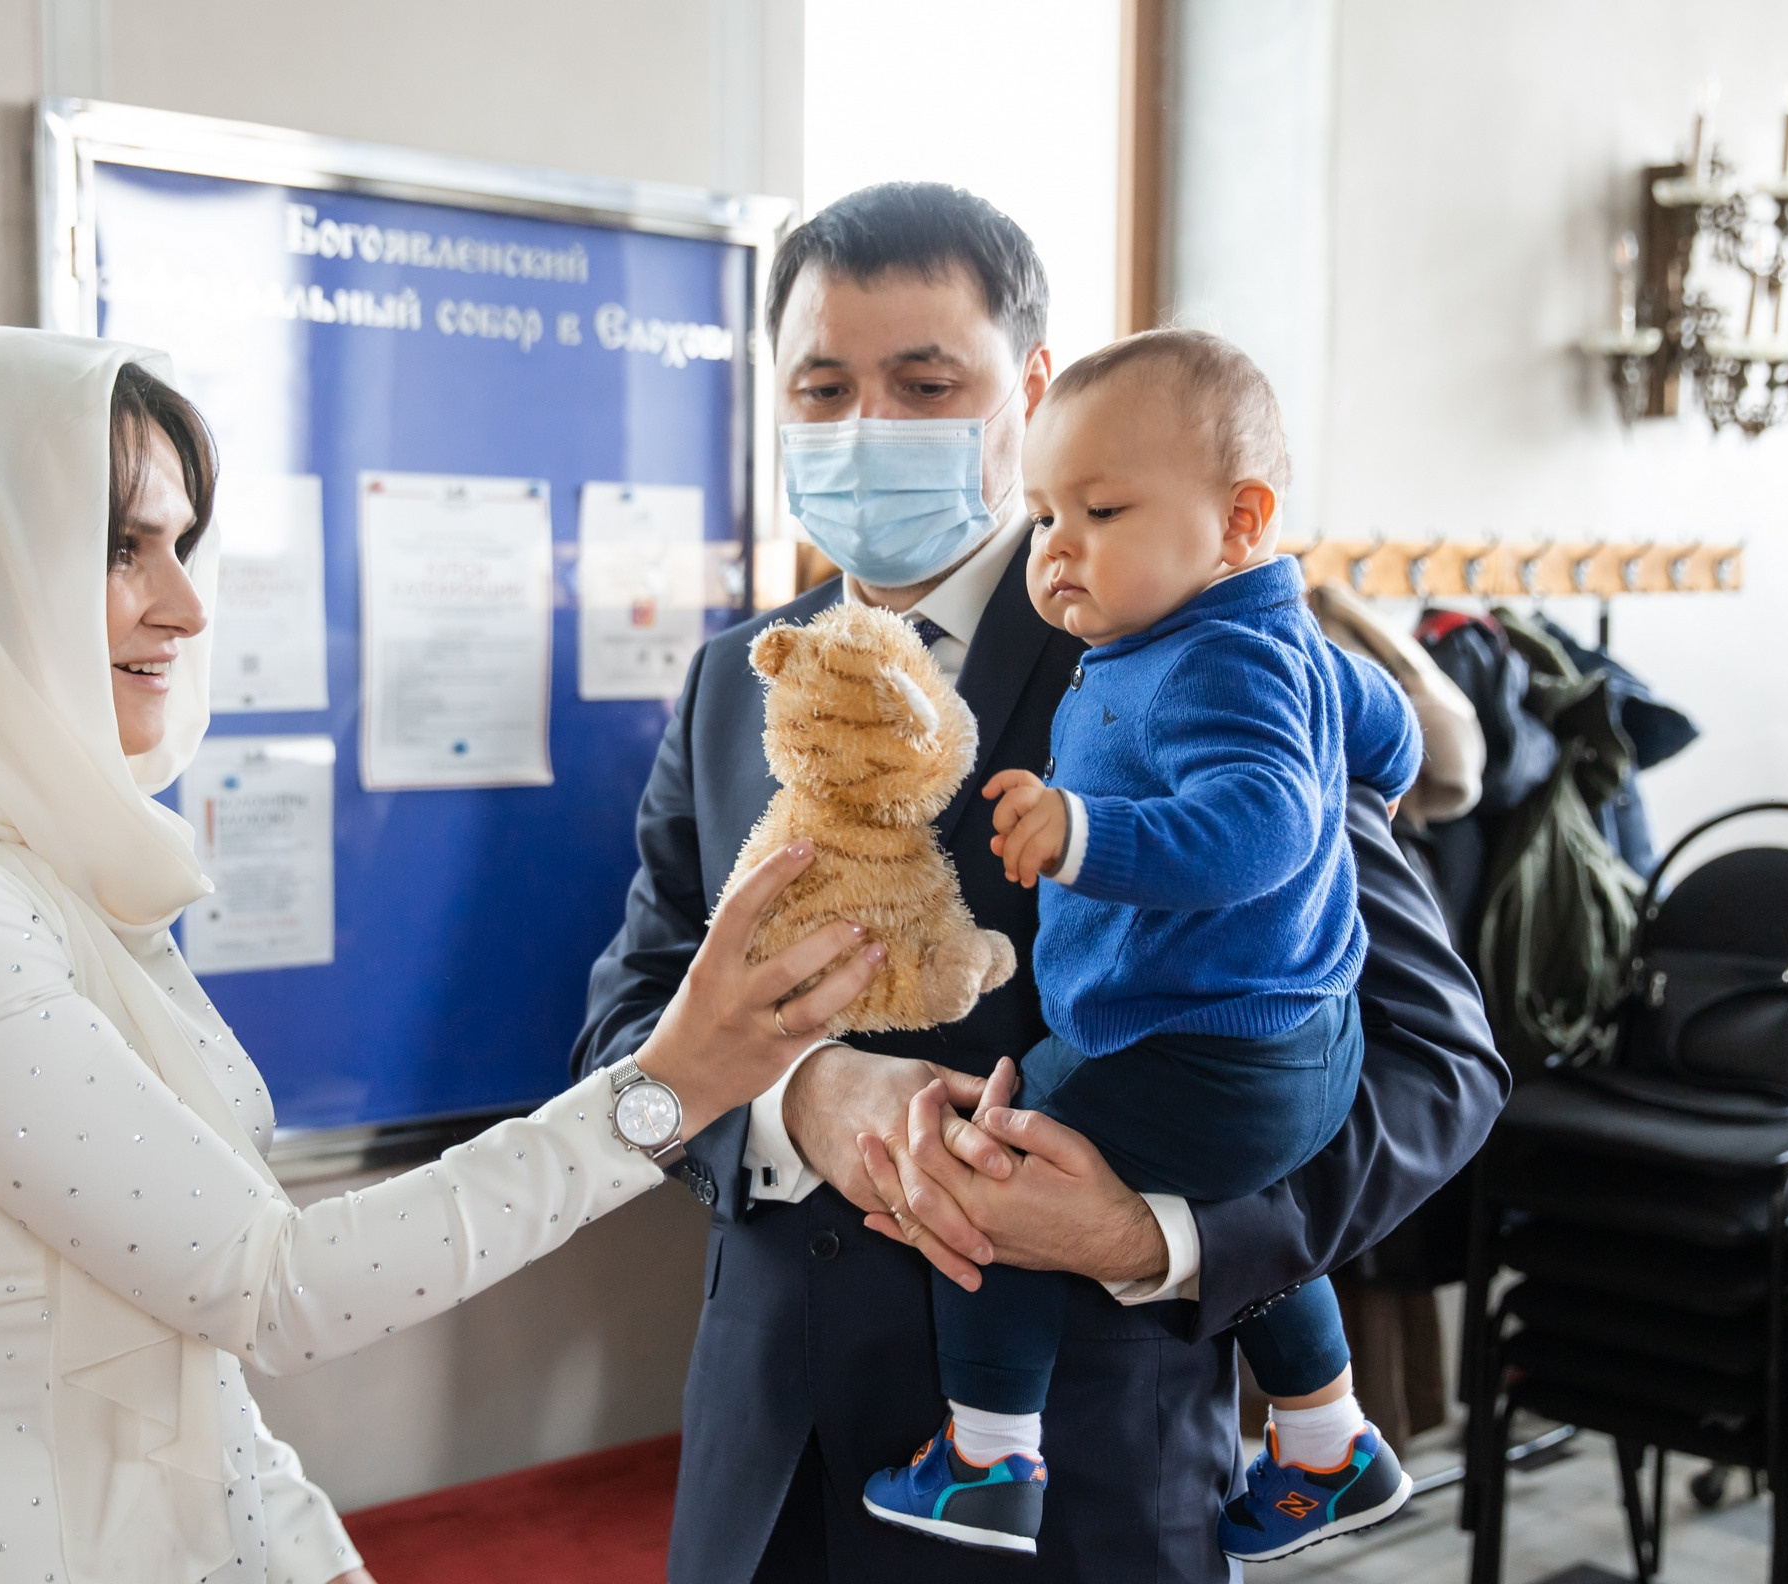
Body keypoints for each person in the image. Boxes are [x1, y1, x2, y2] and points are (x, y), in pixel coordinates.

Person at [0, 328, 883, 1584]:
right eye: (118, 547)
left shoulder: (35, 852)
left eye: (180, 542)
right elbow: (270, 1286)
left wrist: (309, 1556)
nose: (186, 601)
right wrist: (664, 1090)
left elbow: (181, 1350)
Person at [571, 183, 1508, 1582]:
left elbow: (1440, 1062)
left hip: (1084, 1486)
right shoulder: (735, 682)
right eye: (823, 386)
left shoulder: (1185, 643)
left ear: (1035, 384)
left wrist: (1160, 1232)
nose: (866, 426)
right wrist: (799, 1099)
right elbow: (625, 1028)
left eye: (925, 381)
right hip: (763, 1477)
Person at [858, 330, 1421, 1560]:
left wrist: (1084, 834)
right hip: (1285, 1047)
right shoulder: (1281, 644)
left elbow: (1265, 822)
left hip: (1203, 1044)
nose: (1056, 548)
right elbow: (1389, 727)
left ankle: (988, 1455)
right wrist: (1381, 766)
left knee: (993, 1162)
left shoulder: (1214, 661)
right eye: (1048, 511)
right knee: (1231, 1188)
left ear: (1240, 521)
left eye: (1100, 511)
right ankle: (1327, 1440)